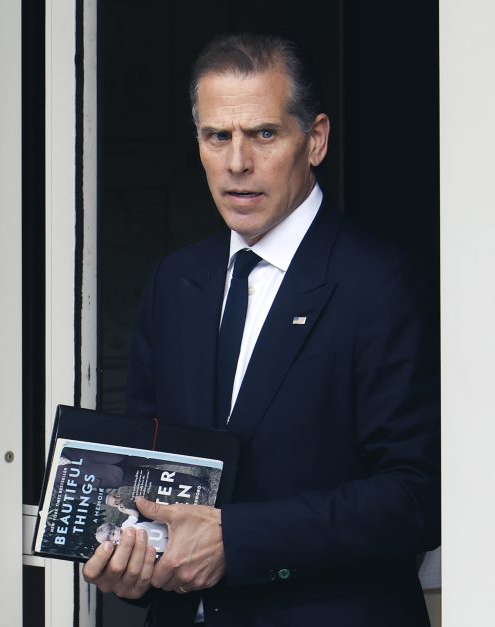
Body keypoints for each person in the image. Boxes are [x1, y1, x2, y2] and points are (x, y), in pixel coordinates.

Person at [82, 32, 440, 626]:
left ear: (315, 140)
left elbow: (416, 496)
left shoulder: (382, 285)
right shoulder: (175, 282)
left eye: (264, 134)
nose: (237, 163)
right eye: (217, 136)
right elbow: (145, 470)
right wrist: (132, 560)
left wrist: (237, 540)